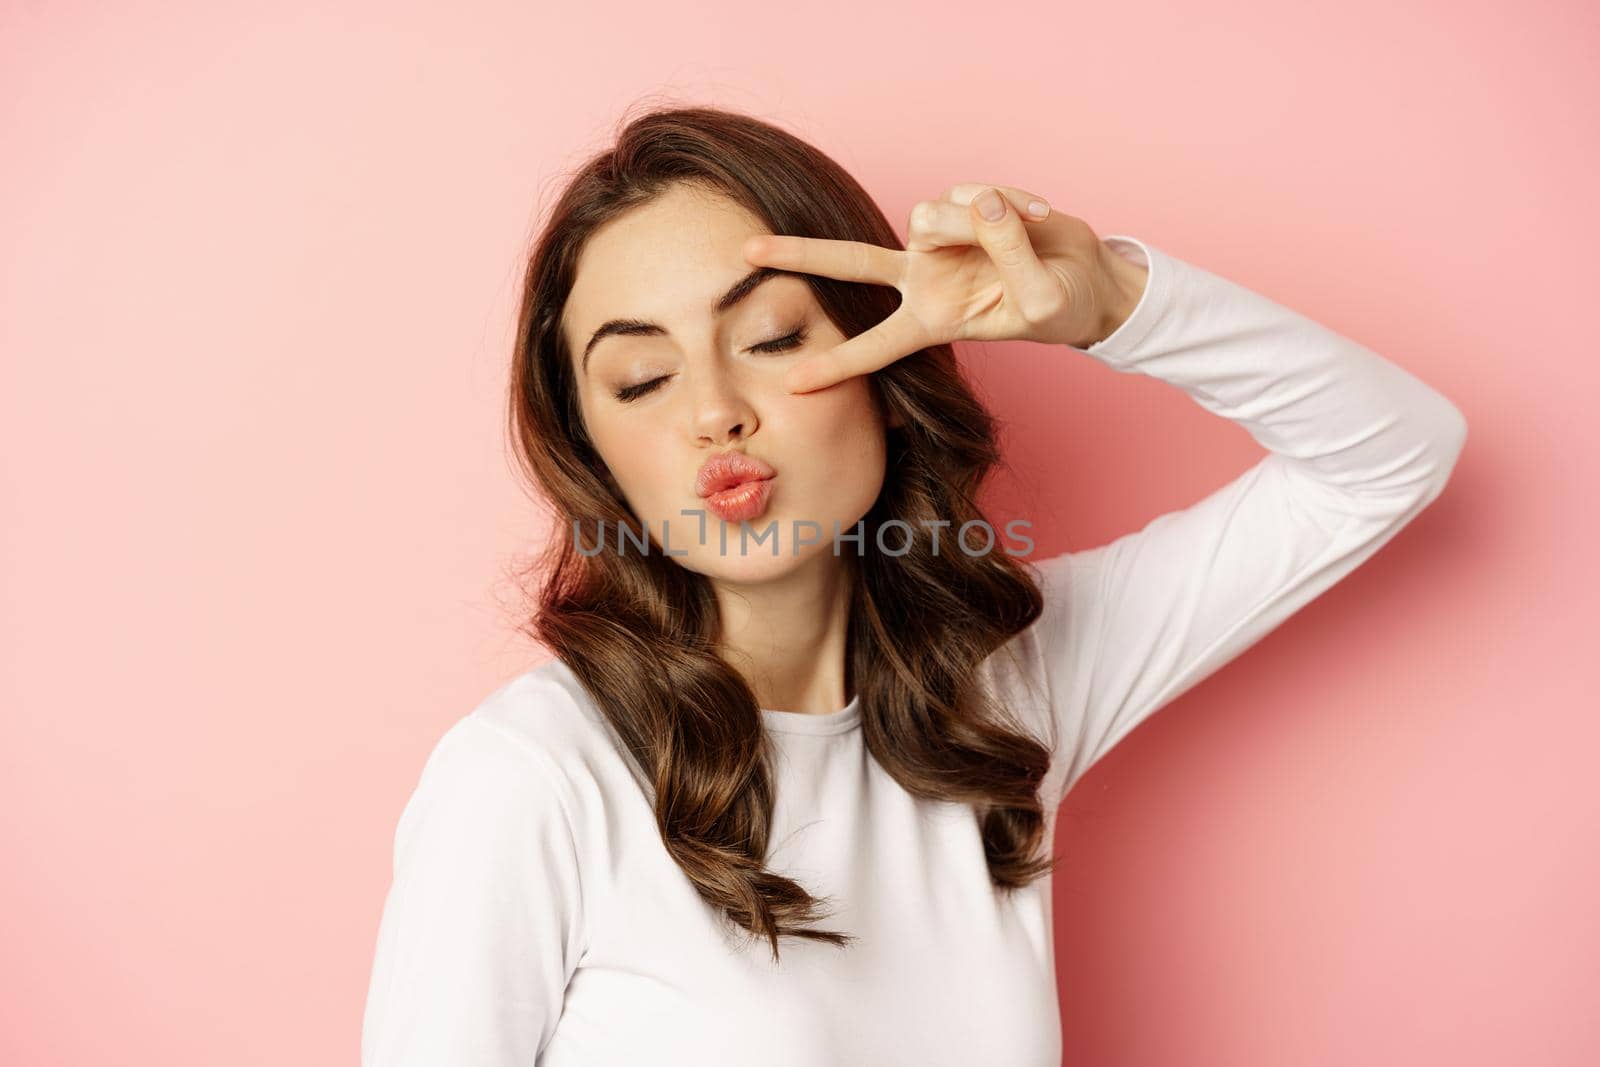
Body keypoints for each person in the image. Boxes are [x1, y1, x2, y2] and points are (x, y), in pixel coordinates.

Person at [360, 105, 1467, 1067]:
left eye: (770, 336)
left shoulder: (1012, 686)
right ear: (593, 450)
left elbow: (1390, 453)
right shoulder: (529, 778)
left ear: (886, 367)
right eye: (641, 378)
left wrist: (1110, 304)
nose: (713, 411)